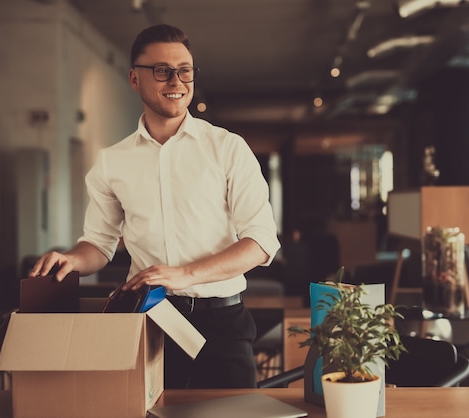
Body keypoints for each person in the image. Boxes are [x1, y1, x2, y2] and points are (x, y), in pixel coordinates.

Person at [28, 23, 281, 389]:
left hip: (223, 323)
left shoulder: (228, 148)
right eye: (162, 71)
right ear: (134, 78)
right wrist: (72, 260)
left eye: (185, 70)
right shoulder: (112, 162)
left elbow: (260, 242)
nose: (176, 81)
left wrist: (184, 274)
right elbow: (98, 245)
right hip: (149, 320)